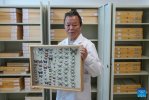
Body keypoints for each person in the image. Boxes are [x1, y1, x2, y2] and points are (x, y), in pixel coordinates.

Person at [56, 11, 104, 100]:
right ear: (64, 26)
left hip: (79, 95)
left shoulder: (88, 45)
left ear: (81, 26)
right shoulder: (61, 45)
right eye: (68, 25)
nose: (71, 28)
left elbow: (97, 72)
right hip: (62, 93)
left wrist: (87, 58)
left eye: (74, 25)